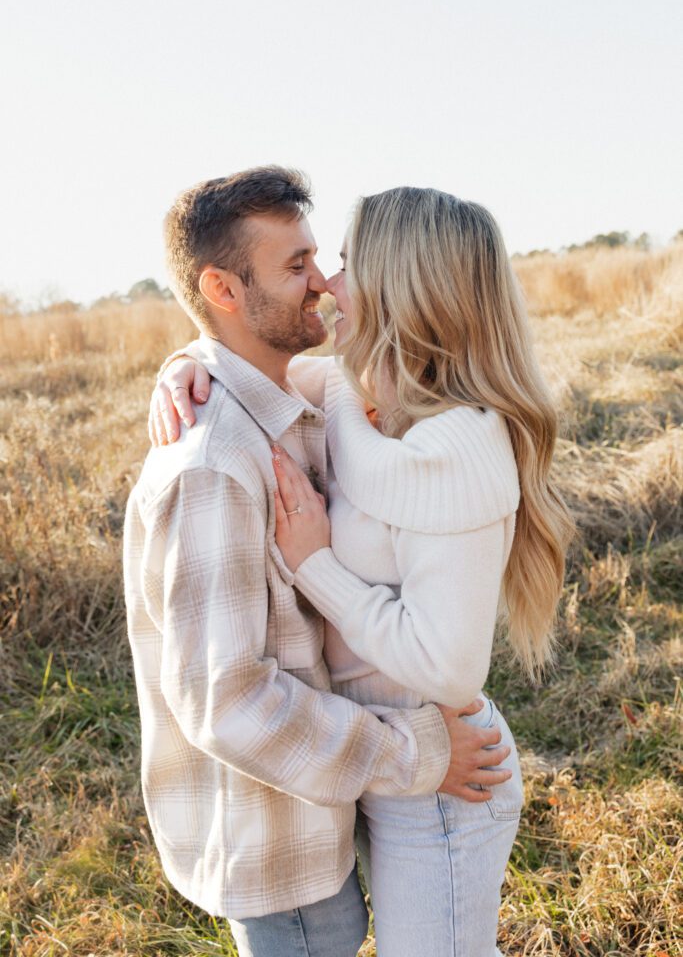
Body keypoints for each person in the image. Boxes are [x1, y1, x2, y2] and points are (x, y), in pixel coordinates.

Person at [153, 183, 574, 956]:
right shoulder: (375, 401)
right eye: (311, 262)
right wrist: (187, 361)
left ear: (402, 282)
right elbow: (271, 383)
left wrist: (316, 565)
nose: (326, 282)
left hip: (443, 767)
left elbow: (448, 664)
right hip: (394, 763)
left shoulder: (456, 445)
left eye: (342, 261)